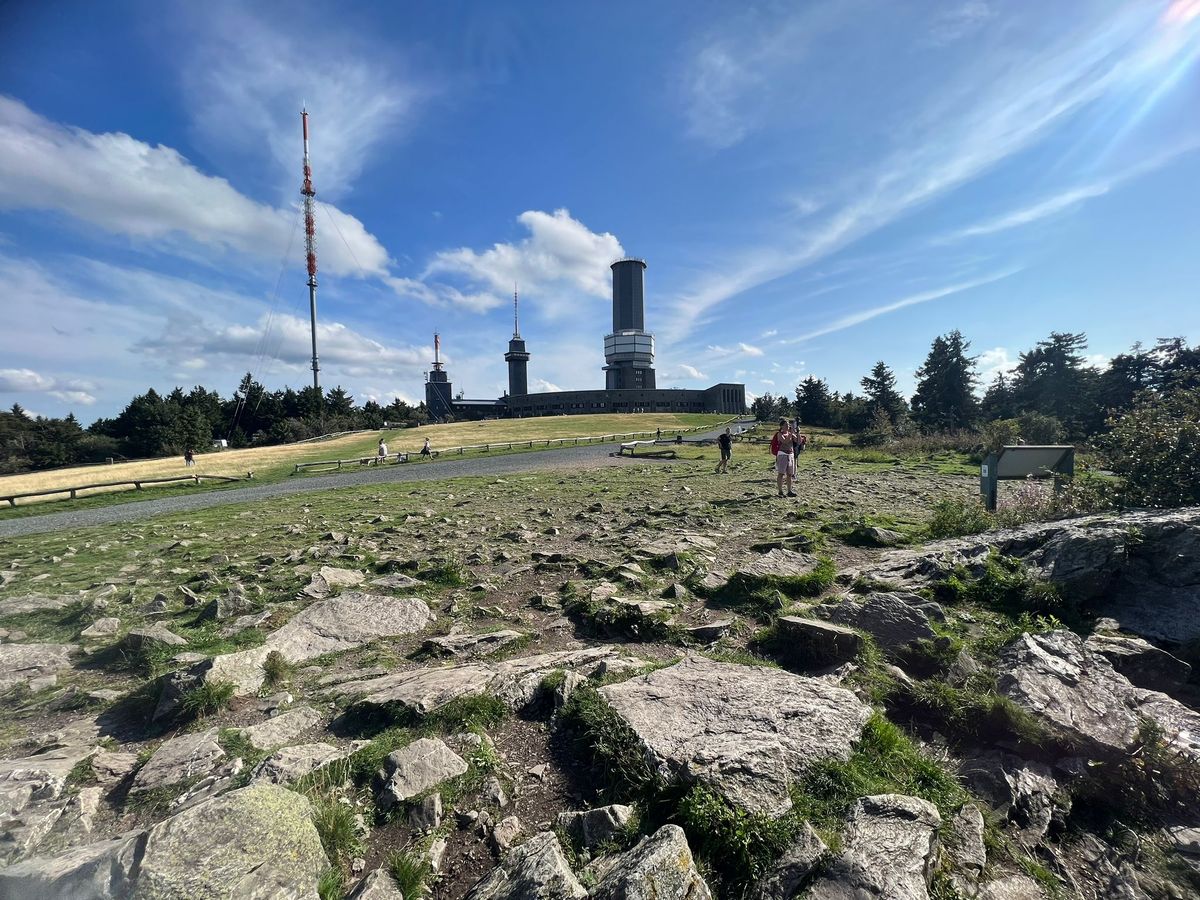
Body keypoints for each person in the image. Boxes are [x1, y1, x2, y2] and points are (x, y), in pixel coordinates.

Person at [770, 418, 797, 497]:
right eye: (786, 425)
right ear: (781, 426)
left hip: (790, 454)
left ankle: (789, 491)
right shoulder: (779, 434)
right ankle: (780, 491)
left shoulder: (790, 433)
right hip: (782, 454)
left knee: (789, 474)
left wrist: (797, 433)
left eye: (788, 425)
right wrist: (791, 434)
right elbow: (785, 441)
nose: (788, 426)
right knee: (781, 473)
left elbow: (797, 441)